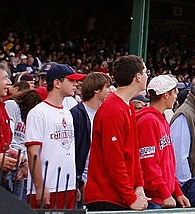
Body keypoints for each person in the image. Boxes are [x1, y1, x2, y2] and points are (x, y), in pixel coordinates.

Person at [85, 55, 150, 211]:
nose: (148, 76)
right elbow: (114, 159)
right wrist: (130, 197)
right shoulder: (112, 109)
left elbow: (133, 152)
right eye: (146, 72)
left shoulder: (126, 106)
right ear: (138, 77)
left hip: (120, 197)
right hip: (107, 197)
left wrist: (139, 185)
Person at [24, 63, 84, 209]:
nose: (75, 84)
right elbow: (33, 153)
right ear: (57, 83)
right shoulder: (38, 113)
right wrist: (39, 187)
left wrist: (72, 184)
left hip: (66, 185)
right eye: (71, 80)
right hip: (48, 186)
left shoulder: (67, 112)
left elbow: (66, 151)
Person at [136, 74, 189, 209]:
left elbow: (168, 163)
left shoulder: (162, 118)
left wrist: (177, 192)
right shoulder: (148, 121)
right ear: (165, 95)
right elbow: (148, 163)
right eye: (174, 92)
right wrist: (165, 193)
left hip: (163, 196)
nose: (176, 95)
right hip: (153, 199)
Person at [70, 71, 112, 200]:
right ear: (96, 90)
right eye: (107, 87)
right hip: (82, 178)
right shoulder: (76, 114)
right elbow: (73, 149)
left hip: (99, 179)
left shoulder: (105, 113)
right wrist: (77, 180)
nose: (110, 91)